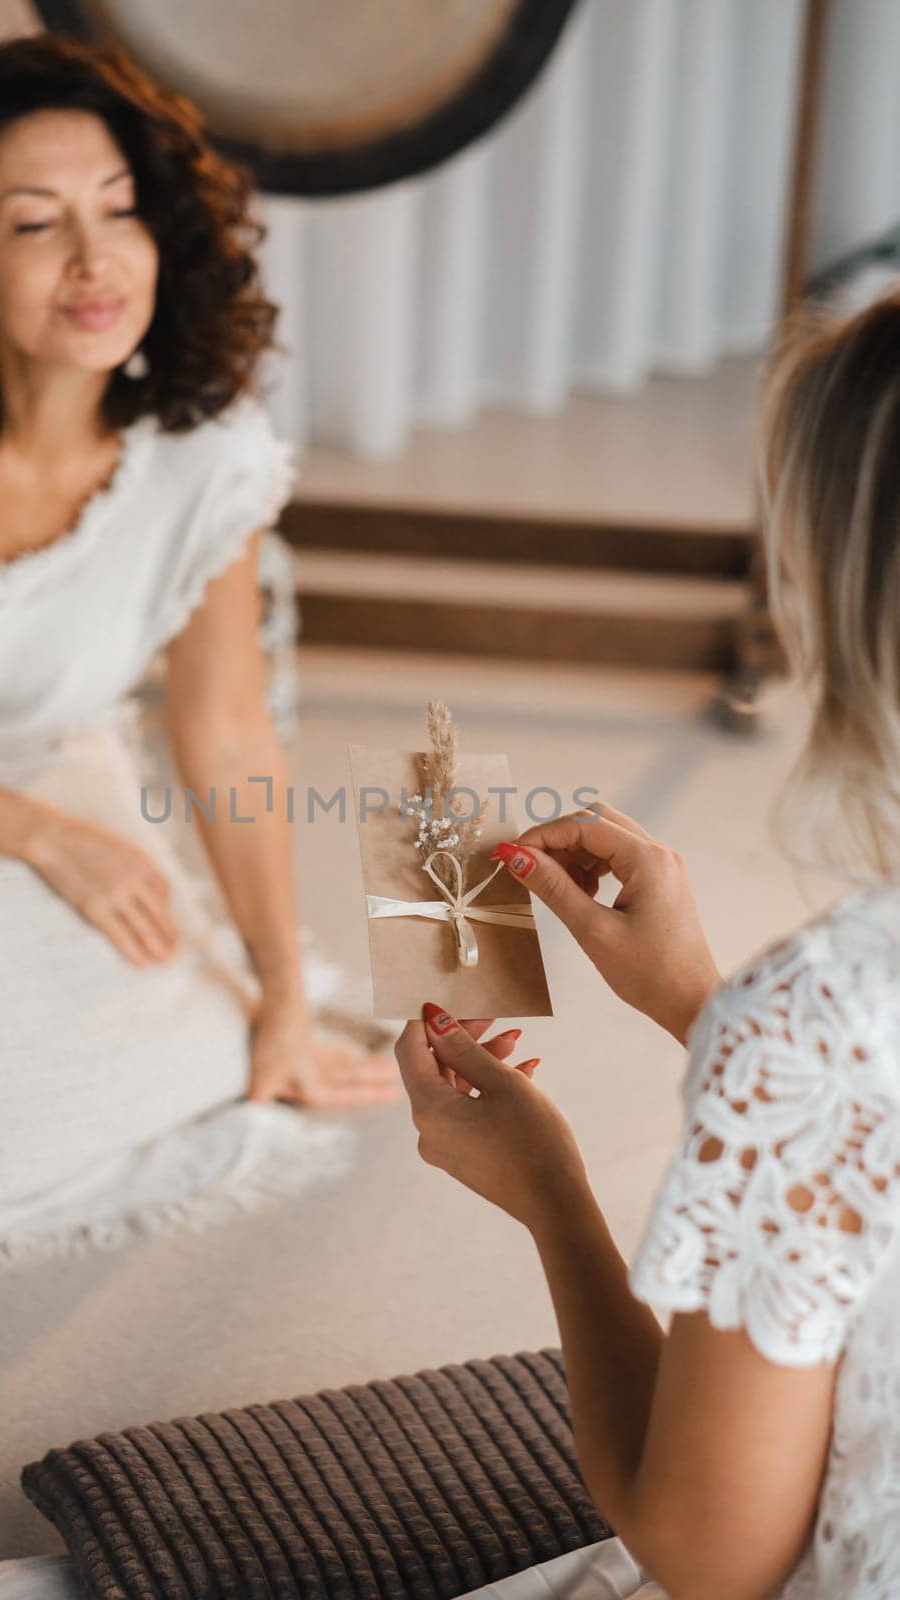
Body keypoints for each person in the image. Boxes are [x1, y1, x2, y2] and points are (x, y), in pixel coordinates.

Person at [396, 293, 900, 1599]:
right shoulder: (805, 1020)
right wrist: (695, 1002)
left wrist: (547, 1190)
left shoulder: (817, 1012)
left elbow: (705, 1556)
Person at [0, 32, 401, 1113]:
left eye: (121, 206)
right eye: (38, 223)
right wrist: (41, 839)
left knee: (178, 1066)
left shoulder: (204, 449)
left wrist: (280, 994)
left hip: (45, 778)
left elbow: (227, 733)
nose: (96, 261)